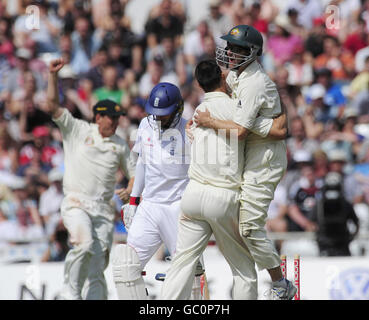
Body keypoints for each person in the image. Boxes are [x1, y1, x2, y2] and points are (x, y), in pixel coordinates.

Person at [160, 60, 288, 300]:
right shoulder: (237, 111)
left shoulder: (197, 111)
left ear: (198, 84)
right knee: (243, 269)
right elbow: (274, 130)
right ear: (222, 77)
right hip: (223, 196)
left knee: (181, 264)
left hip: (193, 195)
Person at [194, 25, 296, 299]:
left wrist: (208, 121)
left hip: (265, 159)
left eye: (236, 49)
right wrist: (271, 125)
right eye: (229, 46)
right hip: (253, 154)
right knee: (237, 223)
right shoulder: (240, 75)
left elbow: (239, 131)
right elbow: (258, 120)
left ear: (252, 53)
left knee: (249, 228)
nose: (228, 52)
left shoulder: (254, 82)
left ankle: (281, 285)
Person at [46, 58, 135, 300]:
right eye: (111, 118)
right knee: (82, 245)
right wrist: (52, 76)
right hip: (76, 203)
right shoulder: (77, 130)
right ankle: (70, 293)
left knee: (97, 270)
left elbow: (135, 173)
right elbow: (52, 106)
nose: (116, 122)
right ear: (98, 118)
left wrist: (130, 186)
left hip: (103, 212)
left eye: (118, 118)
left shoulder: (119, 144)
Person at [111, 82, 205, 300]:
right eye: (155, 114)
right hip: (150, 207)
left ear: (178, 110)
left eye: (164, 114)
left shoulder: (189, 130)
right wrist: (134, 201)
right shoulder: (145, 125)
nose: (159, 119)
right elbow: (143, 163)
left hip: (179, 208)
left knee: (190, 272)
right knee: (126, 264)